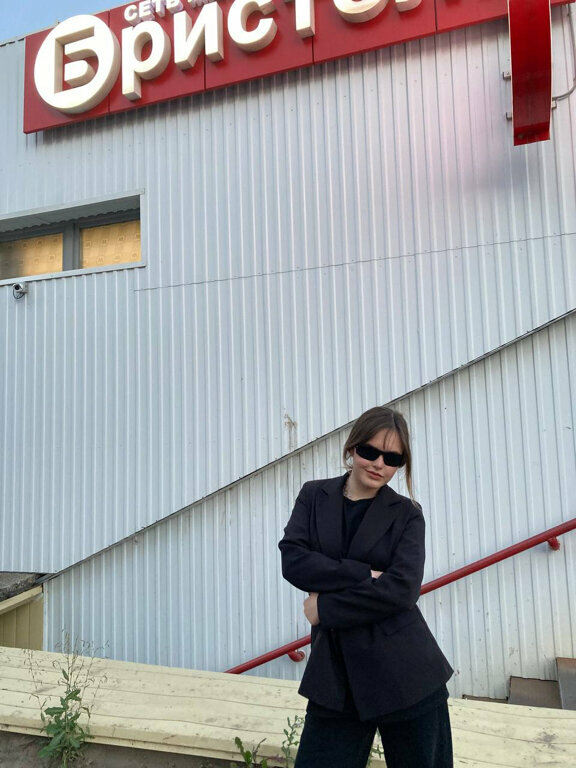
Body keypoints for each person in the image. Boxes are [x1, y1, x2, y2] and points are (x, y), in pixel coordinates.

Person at [278, 406, 454, 768]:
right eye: (370, 451)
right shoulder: (314, 496)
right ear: (352, 448)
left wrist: (325, 608)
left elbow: (402, 590)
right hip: (334, 676)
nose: (378, 464)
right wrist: (364, 574)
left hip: (405, 672)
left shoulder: (407, 514)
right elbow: (294, 561)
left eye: (392, 458)